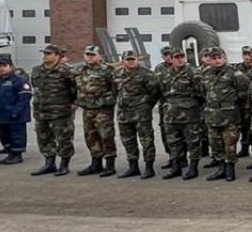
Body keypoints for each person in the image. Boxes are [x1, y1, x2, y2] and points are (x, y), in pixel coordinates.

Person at [197, 47, 250, 183]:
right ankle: (221, 168)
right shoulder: (205, 73)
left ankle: (230, 169)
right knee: (216, 144)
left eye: (219, 57)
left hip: (229, 115)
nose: (217, 60)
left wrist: (233, 104)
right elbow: (203, 92)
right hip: (212, 115)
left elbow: (245, 92)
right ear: (210, 60)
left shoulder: (234, 73)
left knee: (229, 144)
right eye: (214, 58)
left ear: (224, 58)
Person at [30, 44, 77, 176]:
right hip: (41, 111)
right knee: (44, 139)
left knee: (64, 139)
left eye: (48, 54)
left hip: (60, 112)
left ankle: (64, 165)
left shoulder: (67, 71)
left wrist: (72, 103)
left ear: (57, 56)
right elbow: (36, 88)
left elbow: (74, 89)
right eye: (44, 53)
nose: (45, 56)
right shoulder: (36, 70)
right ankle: (49, 163)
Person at [114, 49, 161, 179]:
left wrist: (145, 106)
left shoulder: (147, 74)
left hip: (141, 113)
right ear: (122, 61)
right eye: (128, 60)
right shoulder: (117, 74)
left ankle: (149, 167)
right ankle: (133, 166)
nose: (131, 62)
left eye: (133, 59)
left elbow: (155, 93)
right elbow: (115, 91)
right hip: (123, 114)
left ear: (137, 60)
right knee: (128, 141)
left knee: (146, 141)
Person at [158, 48, 205, 179]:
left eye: (182, 56)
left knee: (193, 142)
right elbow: (161, 92)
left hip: (189, 115)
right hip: (171, 115)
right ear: (171, 59)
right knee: (174, 143)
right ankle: (176, 167)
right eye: (177, 57)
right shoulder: (165, 74)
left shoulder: (193, 73)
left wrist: (191, 105)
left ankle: (193, 168)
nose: (180, 59)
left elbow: (201, 93)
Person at [75, 46, 119, 177]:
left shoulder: (108, 71)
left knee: (106, 137)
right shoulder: (80, 70)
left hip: (103, 110)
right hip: (87, 109)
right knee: (91, 137)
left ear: (99, 56)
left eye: (93, 55)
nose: (90, 57)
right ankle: (96, 164)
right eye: (87, 54)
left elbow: (115, 89)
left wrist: (106, 100)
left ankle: (110, 165)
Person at [0, 54, 32, 167]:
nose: (1, 68)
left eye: (4, 65)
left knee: (16, 135)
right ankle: (10, 154)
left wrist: (15, 111)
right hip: (1, 115)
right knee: (4, 135)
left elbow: (24, 97)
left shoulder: (19, 80)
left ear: (11, 66)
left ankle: (17, 155)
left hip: (15, 115)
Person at [154, 46, 176, 169]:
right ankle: (171, 157)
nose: (168, 57)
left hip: (180, 108)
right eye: (166, 55)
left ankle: (181, 158)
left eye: (170, 54)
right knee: (165, 133)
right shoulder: (159, 68)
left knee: (179, 135)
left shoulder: (184, 68)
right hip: (164, 106)